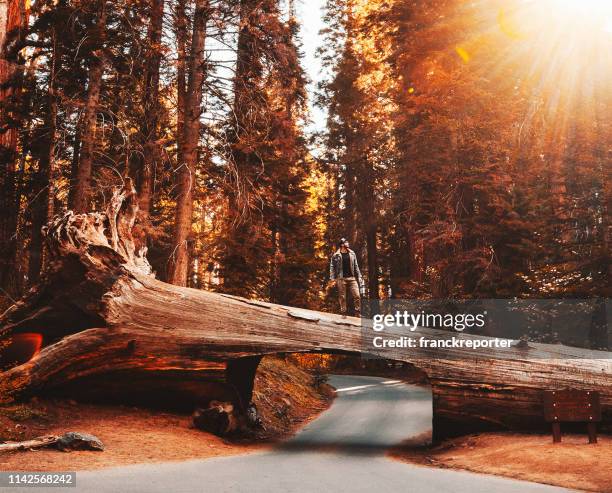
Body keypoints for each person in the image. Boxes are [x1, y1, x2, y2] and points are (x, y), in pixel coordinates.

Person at [329, 238, 363, 316]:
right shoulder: (336, 255)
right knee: (342, 297)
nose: (348, 243)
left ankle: (357, 312)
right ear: (342, 245)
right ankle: (343, 312)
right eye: (346, 242)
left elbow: (356, 266)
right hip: (341, 278)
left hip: (352, 278)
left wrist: (359, 276)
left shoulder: (352, 253)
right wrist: (332, 278)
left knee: (357, 295)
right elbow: (332, 266)